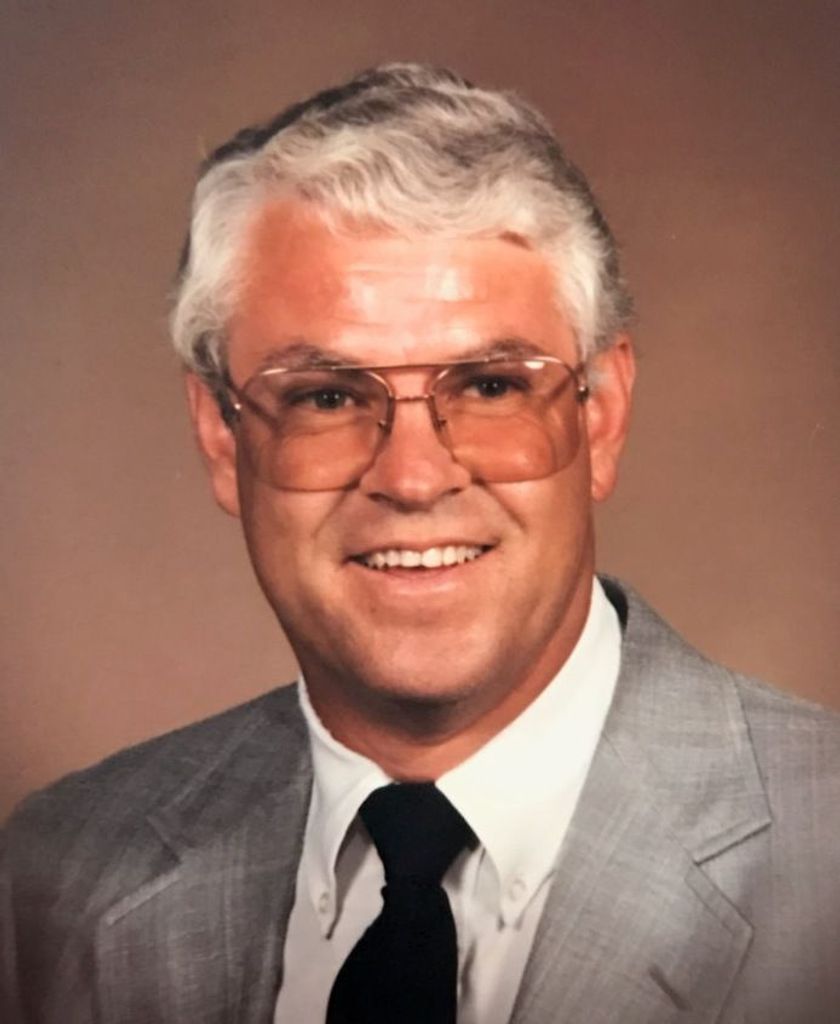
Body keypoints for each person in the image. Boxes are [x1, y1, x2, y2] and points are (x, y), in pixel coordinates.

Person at [2, 63, 839, 1024]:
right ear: (221, 437)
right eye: (327, 397)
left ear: (600, 414)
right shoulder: (57, 879)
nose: (412, 477)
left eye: (489, 386)